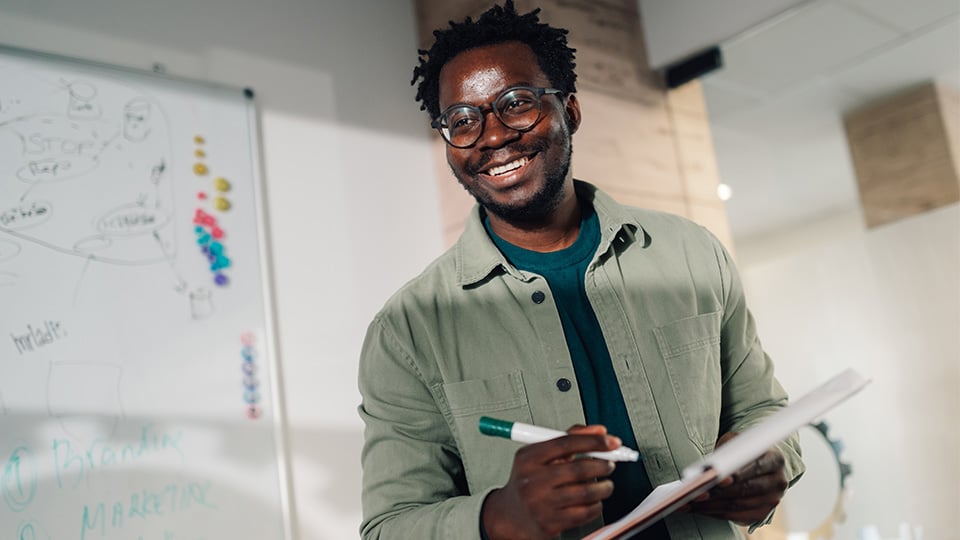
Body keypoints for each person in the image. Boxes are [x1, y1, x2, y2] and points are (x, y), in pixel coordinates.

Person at [357, 2, 803, 539]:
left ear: (570, 110)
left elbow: (764, 411)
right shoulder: (408, 330)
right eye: (463, 120)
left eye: (517, 104)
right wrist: (500, 518)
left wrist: (768, 460)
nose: (493, 136)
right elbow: (389, 527)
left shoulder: (691, 255)